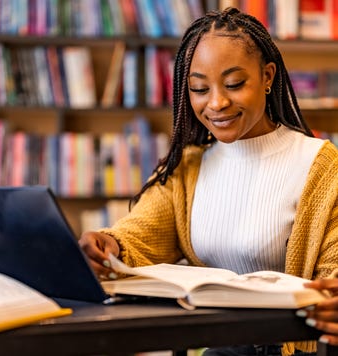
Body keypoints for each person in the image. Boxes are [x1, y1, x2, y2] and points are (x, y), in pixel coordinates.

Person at [79, 7, 338, 356]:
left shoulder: (322, 166)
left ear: (267, 76)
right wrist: (107, 245)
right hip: (215, 345)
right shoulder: (187, 168)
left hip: (295, 349)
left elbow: (333, 275)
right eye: (200, 88)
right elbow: (137, 236)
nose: (216, 103)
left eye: (234, 84)